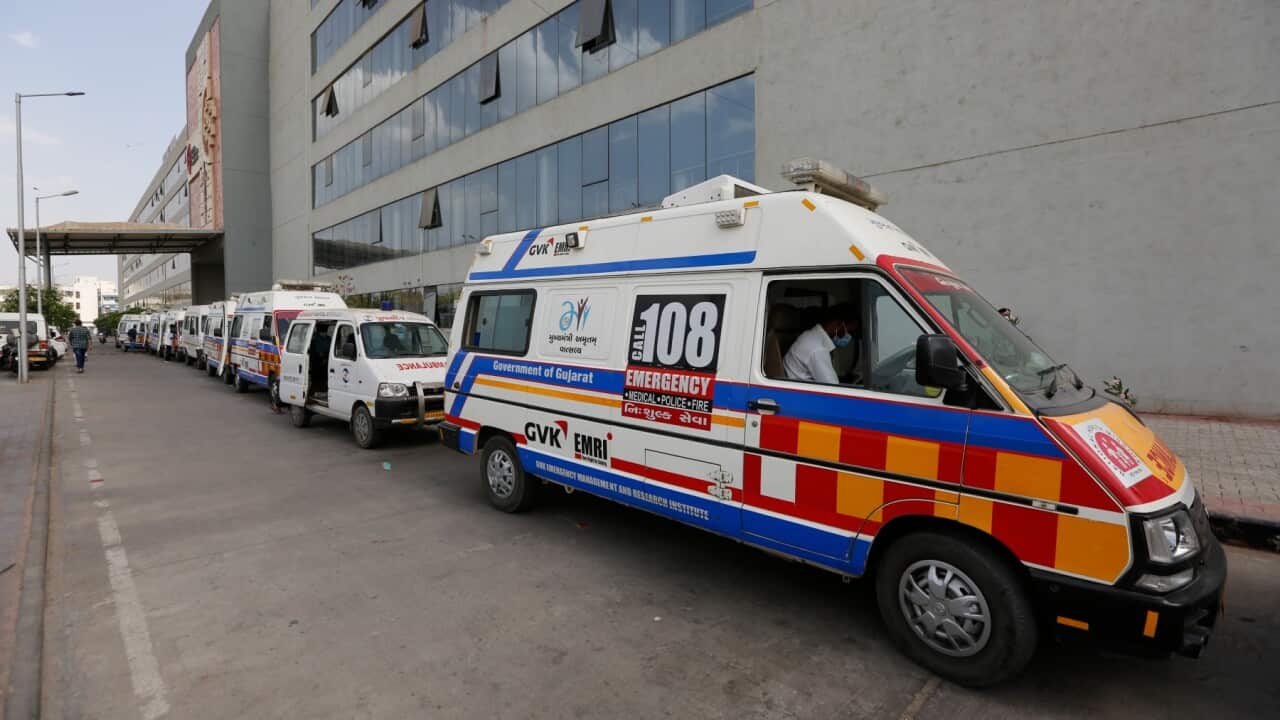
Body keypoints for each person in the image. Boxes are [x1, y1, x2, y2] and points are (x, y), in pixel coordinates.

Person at [783, 303, 859, 385]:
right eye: (850, 332)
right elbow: (833, 389)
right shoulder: (818, 349)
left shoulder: (812, 335)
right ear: (837, 324)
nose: (849, 337)